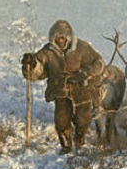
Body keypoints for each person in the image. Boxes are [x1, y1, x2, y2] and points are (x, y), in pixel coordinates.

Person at [21, 20, 105, 154]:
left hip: (81, 89)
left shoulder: (82, 48)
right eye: (57, 38)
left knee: (83, 119)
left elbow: (98, 62)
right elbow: (39, 72)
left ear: (69, 37)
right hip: (60, 90)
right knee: (61, 121)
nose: (60, 40)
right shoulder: (47, 51)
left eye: (62, 37)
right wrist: (31, 64)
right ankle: (66, 147)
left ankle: (80, 143)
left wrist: (88, 72)